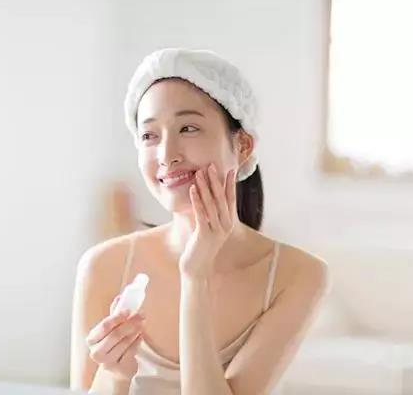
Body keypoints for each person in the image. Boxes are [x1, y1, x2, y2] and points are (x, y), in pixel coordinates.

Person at [70, 48, 329, 395]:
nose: (167, 155)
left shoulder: (297, 274)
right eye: (149, 135)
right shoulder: (104, 265)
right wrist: (115, 375)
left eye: (188, 128)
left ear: (243, 146)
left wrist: (195, 277)